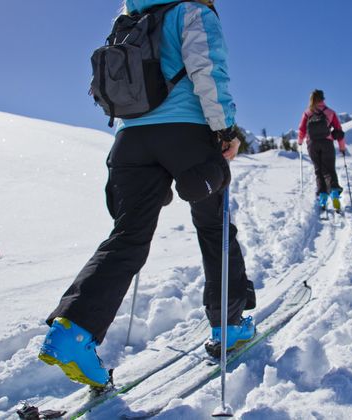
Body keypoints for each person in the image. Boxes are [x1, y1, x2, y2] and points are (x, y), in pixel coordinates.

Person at [38, 0, 255, 388]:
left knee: (128, 235)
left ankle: (73, 331)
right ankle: (230, 324)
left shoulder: (128, 15)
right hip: (187, 134)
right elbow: (208, 70)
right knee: (214, 228)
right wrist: (225, 130)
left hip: (129, 140)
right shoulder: (193, 10)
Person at [297, 89, 346, 211]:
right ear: (323, 99)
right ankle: (334, 192)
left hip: (312, 144)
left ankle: (323, 198)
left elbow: (301, 130)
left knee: (319, 171)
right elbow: (339, 131)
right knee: (329, 170)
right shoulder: (330, 112)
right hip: (327, 143)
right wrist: (342, 147)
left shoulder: (307, 113)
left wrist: (299, 142)